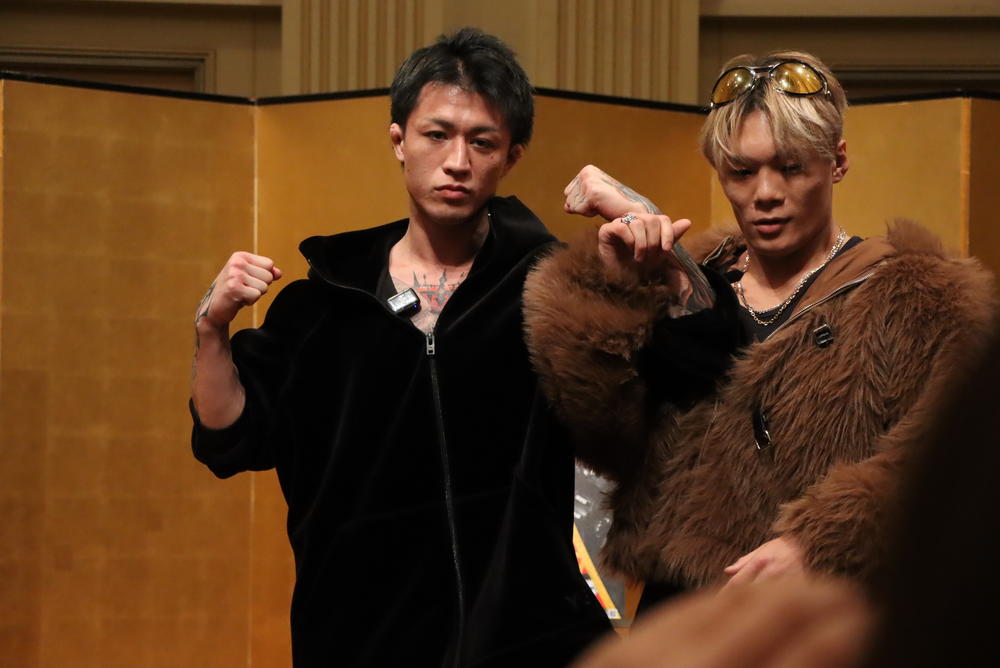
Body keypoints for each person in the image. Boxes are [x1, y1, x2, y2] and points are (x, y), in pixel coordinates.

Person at [189, 28, 610, 668]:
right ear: (399, 141)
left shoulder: (550, 291)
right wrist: (212, 330)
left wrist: (639, 230)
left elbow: (654, 408)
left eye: (482, 142)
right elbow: (230, 440)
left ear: (511, 156)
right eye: (436, 134)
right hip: (360, 641)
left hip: (525, 640)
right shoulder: (325, 303)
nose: (457, 161)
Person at [522, 51, 995, 612]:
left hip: (825, 610)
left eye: (791, 167)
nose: (765, 193)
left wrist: (820, 542)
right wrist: (618, 289)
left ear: (838, 161)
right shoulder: (692, 280)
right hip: (680, 610)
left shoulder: (919, 297)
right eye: (742, 172)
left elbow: (952, 466)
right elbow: (603, 438)